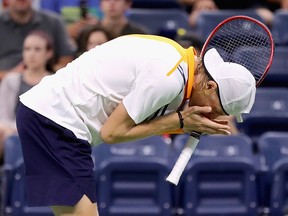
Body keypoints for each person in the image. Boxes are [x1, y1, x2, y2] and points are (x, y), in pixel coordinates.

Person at [16, 34, 256, 216]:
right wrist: (180, 122)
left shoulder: (180, 62)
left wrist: (180, 122)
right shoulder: (168, 79)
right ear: (210, 87)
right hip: (55, 121)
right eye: (217, 110)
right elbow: (111, 133)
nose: (212, 116)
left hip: (54, 119)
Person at [0, 30, 54, 164]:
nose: (31, 54)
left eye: (37, 49)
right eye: (27, 49)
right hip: (12, 135)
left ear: (48, 53)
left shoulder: (56, 83)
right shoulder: (10, 81)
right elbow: (3, 118)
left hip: (45, 138)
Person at [0, 0, 74, 80]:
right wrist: (12, 77)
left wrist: (44, 76)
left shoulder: (54, 22)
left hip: (46, 84)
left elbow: (66, 61)